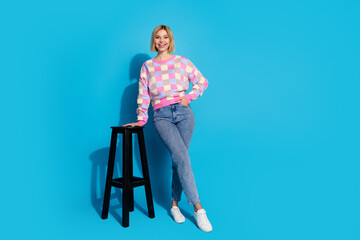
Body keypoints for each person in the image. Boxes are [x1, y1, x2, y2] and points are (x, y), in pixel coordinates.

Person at [123, 25, 212, 232]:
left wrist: (188, 97)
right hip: (162, 116)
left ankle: (174, 205)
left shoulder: (182, 62)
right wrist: (141, 120)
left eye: (165, 37)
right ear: (153, 41)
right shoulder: (147, 66)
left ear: (169, 40)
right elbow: (144, 96)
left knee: (178, 161)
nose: (161, 40)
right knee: (182, 158)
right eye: (157, 37)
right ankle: (199, 209)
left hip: (184, 115)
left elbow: (202, 81)